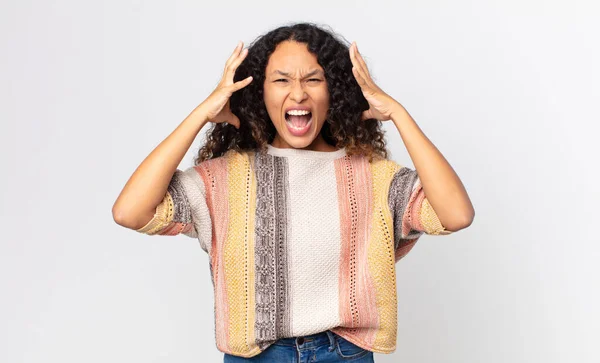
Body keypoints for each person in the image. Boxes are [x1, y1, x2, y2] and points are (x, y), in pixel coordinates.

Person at [112, 22, 474, 363]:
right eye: (281, 80)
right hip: (254, 356)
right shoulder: (225, 179)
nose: (298, 92)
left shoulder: (373, 177)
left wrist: (397, 113)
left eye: (314, 79)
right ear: (259, 91)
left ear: (334, 90)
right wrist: (201, 114)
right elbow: (130, 212)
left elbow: (456, 214)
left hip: (344, 353)